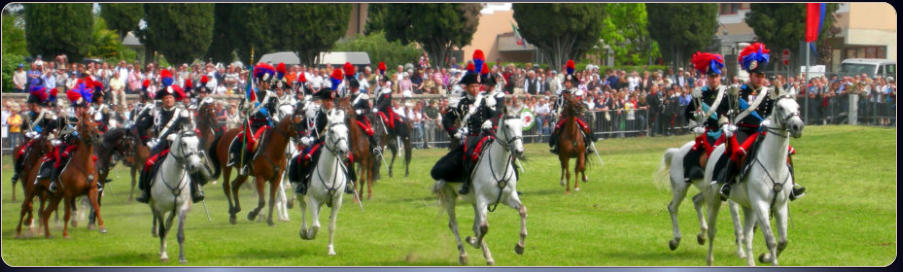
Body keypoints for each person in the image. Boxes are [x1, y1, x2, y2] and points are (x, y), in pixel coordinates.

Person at [716, 42, 805, 201]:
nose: (760, 79)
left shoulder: (769, 93)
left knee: (787, 152)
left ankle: (791, 187)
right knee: (737, 152)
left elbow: (777, 111)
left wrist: (770, 121)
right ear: (750, 75)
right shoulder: (737, 92)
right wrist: (724, 125)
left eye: (762, 76)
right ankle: (727, 183)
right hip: (743, 130)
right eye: (757, 75)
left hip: (763, 131)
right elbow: (721, 110)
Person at [430, 50, 500, 195]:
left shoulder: (487, 100)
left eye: (477, 86)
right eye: (472, 86)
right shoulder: (459, 103)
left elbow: (496, 115)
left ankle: (507, 184)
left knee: (505, 151)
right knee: (465, 157)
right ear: (467, 87)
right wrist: (454, 132)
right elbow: (447, 119)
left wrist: (491, 122)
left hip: (486, 135)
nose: (475, 89)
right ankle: (467, 182)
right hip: (468, 138)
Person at [135, 77, 204, 204]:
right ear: (162, 99)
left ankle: (196, 189)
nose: (168, 100)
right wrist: (146, 141)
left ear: (174, 99)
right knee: (149, 164)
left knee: (192, 162)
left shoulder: (182, 113)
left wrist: (178, 135)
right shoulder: (156, 112)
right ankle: (145, 191)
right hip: (161, 146)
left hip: (178, 146)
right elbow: (140, 126)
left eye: (170, 97)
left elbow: (188, 128)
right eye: (166, 98)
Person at [682, 51, 730, 183]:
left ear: (720, 77)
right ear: (707, 78)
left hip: (725, 130)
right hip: (707, 130)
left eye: (716, 76)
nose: (714, 79)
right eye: (711, 76)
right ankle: (690, 173)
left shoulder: (727, 93)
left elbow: (731, 111)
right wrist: (694, 126)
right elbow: (688, 113)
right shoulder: (699, 93)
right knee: (693, 154)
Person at [228, 63, 278, 176]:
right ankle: (245, 164)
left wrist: (275, 120)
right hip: (254, 125)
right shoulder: (251, 94)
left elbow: (274, 112)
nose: (269, 84)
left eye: (269, 82)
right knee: (252, 142)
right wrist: (247, 107)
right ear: (260, 82)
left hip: (268, 125)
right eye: (267, 82)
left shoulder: (273, 96)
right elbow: (241, 108)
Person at [548, 60, 597, 154]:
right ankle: (556, 145)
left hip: (576, 114)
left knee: (585, 126)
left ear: (573, 83)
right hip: (565, 115)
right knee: (557, 127)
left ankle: (588, 144)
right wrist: (555, 110)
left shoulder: (578, 92)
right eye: (566, 82)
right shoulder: (562, 93)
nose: (566, 84)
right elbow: (558, 103)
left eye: (568, 82)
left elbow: (578, 102)